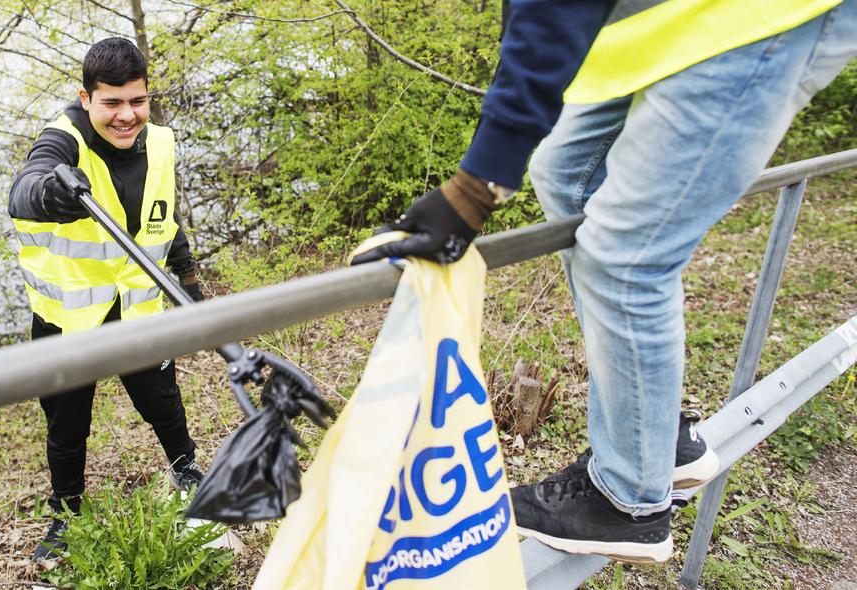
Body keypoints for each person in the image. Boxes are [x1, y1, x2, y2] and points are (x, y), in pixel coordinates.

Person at [353, 0, 856, 564]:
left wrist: (475, 187)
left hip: (753, 18)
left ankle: (631, 505)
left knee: (628, 259)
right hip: (649, 30)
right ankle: (656, 442)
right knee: (564, 177)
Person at [8, 37, 207, 561]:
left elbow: (164, 217)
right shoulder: (62, 140)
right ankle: (65, 515)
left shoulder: (160, 142)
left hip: (138, 307)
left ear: (147, 96)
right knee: (67, 422)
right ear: (86, 97)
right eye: (112, 103)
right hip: (70, 317)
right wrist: (51, 192)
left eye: (136, 101)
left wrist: (188, 280)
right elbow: (24, 188)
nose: (126, 116)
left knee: (162, 400)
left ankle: (187, 471)